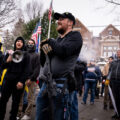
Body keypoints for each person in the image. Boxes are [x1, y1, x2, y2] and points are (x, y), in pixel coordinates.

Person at [36, 12, 83, 120]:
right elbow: (44, 62)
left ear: (70, 23)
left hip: (62, 83)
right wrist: (43, 51)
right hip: (47, 82)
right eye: (58, 19)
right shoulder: (57, 40)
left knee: (59, 115)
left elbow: (64, 51)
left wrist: (51, 41)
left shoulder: (75, 36)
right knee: (40, 114)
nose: (58, 21)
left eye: (62, 19)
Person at [0, 37, 30, 120]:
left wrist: (21, 81)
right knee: (3, 100)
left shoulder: (26, 55)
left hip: (18, 82)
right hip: (8, 80)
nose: (19, 42)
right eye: (17, 41)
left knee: (15, 103)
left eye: (21, 41)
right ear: (15, 43)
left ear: (23, 44)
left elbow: (26, 70)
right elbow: (3, 66)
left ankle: (12, 118)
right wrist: (8, 59)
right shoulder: (10, 53)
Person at [20, 39, 40, 120]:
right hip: (22, 79)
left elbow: (37, 69)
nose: (30, 45)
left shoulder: (36, 55)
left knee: (30, 98)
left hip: (31, 80)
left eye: (32, 43)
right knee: (20, 97)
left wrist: (31, 79)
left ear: (34, 45)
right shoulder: (23, 54)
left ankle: (27, 114)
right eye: (29, 43)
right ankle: (18, 113)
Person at [108, 49, 120, 119]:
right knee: (115, 98)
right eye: (118, 52)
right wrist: (108, 79)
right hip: (113, 82)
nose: (118, 53)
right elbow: (110, 71)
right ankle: (117, 113)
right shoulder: (113, 62)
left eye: (119, 52)